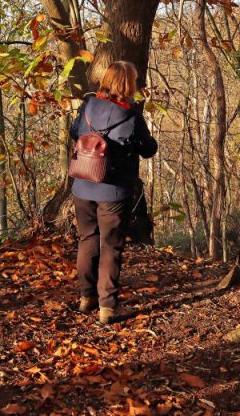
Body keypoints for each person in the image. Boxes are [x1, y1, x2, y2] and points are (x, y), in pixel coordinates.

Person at [69, 61, 158, 324]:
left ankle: (86, 297)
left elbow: (75, 132)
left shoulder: (88, 105)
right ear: (128, 84)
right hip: (114, 190)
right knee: (110, 246)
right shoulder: (130, 114)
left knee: (87, 239)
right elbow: (148, 149)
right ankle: (106, 307)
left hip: (83, 183)